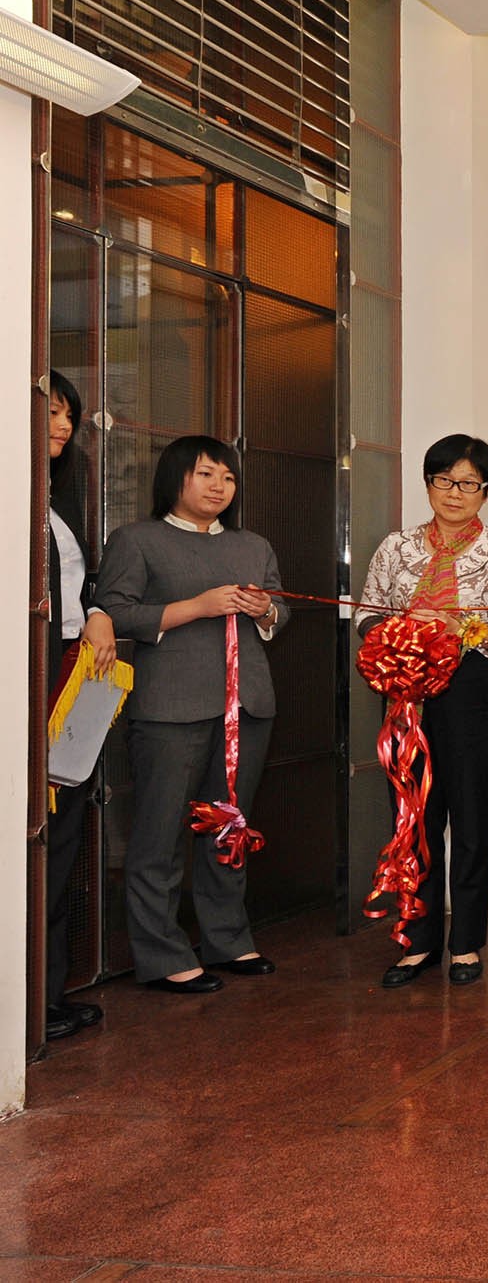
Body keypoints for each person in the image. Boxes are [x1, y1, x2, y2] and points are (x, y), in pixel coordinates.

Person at [95, 436, 284, 993]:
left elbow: (281, 610)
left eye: (228, 478)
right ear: (174, 478)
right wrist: (196, 608)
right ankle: (162, 955)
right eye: (205, 474)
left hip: (245, 705)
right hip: (169, 708)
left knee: (228, 827)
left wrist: (266, 610)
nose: (218, 487)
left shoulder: (253, 545)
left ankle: (228, 938)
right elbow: (115, 611)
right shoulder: (137, 540)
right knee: (157, 834)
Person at [356, 435, 488, 987]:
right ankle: (418, 942)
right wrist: (401, 630)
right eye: (444, 480)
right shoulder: (396, 548)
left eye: (468, 484)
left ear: (487, 492)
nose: (455, 493)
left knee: (473, 820)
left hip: (475, 691)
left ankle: (467, 944)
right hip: (408, 696)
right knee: (415, 819)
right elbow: (364, 615)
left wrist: (463, 627)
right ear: (429, 483)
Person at [42, 371, 115, 1038]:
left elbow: (80, 582)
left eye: (70, 415)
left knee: (61, 835)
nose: (64, 426)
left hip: (69, 675)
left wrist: (96, 611)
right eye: (53, 412)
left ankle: (47, 995)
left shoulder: (59, 499)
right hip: (28, 681)